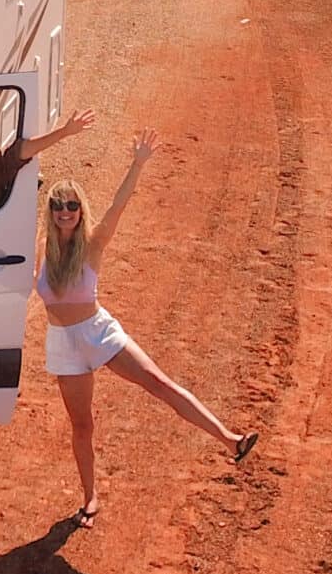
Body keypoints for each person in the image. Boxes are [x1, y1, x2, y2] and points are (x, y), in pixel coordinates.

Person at [40, 130, 255, 527]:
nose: (64, 211)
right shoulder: (42, 251)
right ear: (50, 212)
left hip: (98, 332)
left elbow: (118, 206)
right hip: (63, 345)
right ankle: (90, 498)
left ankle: (231, 439)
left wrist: (137, 164)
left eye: (71, 204)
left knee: (158, 382)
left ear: (81, 210)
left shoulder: (93, 244)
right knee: (82, 426)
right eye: (57, 205)